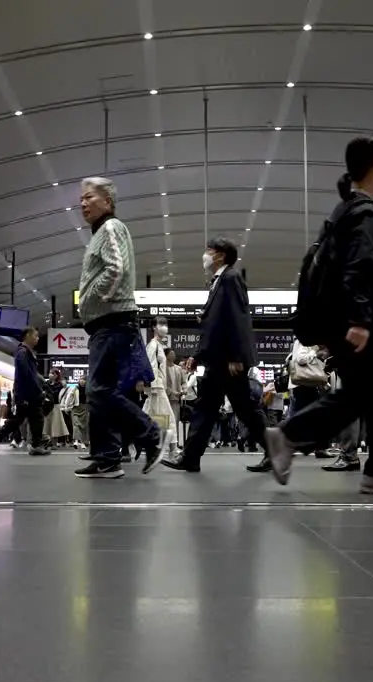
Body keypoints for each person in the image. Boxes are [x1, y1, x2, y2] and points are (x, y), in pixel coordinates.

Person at [266, 137, 373, 493]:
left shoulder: (347, 208)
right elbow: (357, 267)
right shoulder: (366, 210)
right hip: (360, 322)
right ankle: (291, 437)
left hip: (344, 320)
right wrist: (362, 320)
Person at [75, 176, 162, 478]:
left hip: (112, 322)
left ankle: (151, 435)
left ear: (108, 202)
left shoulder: (111, 227)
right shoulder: (100, 232)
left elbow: (117, 268)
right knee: (102, 391)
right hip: (107, 325)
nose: (83, 203)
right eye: (81, 199)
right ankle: (107, 457)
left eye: (89, 197)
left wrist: (92, 298)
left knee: (99, 390)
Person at [162, 236, 270, 474]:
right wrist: (197, 356)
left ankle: (275, 450)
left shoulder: (231, 278)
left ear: (220, 255)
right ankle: (191, 457)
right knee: (209, 407)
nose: (205, 255)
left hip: (227, 360)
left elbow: (237, 318)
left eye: (209, 250)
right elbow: (214, 325)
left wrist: (235, 356)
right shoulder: (218, 281)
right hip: (217, 360)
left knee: (242, 409)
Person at [0, 327, 49, 455]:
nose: (37, 339)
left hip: (28, 393)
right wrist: (38, 390)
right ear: (27, 336)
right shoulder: (23, 352)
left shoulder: (26, 352)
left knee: (28, 419)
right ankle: (34, 445)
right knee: (26, 419)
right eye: (35, 336)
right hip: (28, 394)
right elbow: (26, 375)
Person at [143, 319, 177, 454]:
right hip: (156, 387)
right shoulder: (153, 346)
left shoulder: (159, 346)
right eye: (161, 325)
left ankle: (129, 443)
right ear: (154, 328)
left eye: (166, 325)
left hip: (157, 387)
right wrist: (153, 387)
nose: (164, 328)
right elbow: (150, 366)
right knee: (168, 416)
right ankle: (172, 448)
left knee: (146, 416)